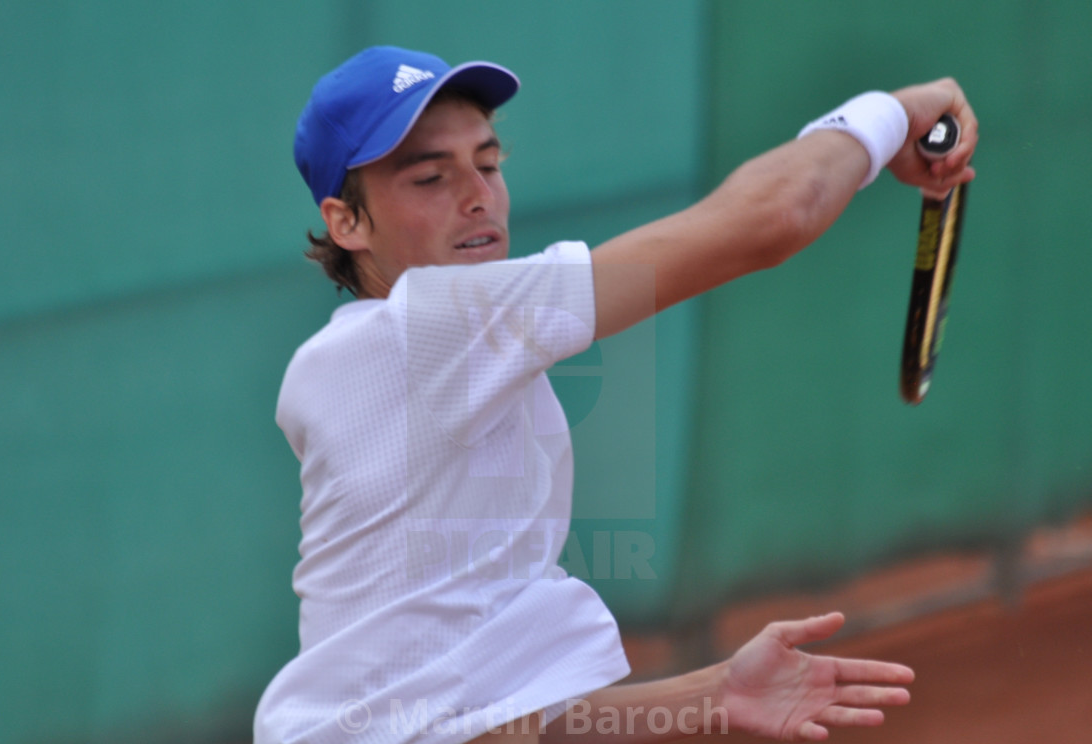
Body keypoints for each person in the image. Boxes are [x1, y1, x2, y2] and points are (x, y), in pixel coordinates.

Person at [254, 46, 977, 744]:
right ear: (346, 222)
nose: (478, 197)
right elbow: (775, 217)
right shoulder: (426, 330)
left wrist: (713, 694)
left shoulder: (377, 360)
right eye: (429, 179)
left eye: (488, 163)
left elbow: (482, 723)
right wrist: (890, 114)